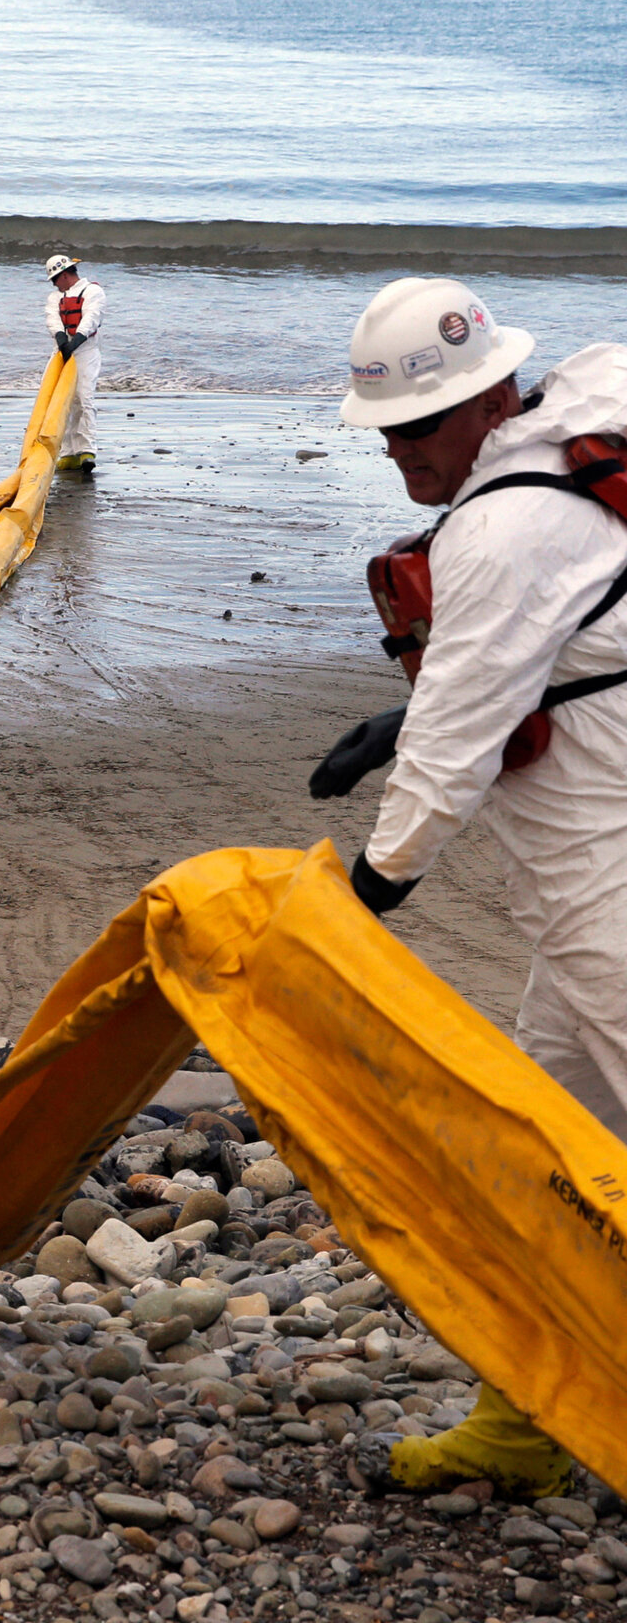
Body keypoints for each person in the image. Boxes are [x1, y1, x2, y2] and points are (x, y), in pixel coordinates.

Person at [319, 276, 627, 1498]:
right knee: (547, 1159)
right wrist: (408, 719)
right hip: (585, 899)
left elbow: (453, 755)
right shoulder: (584, 423)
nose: (399, 454)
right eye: (386, 431)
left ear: (491, 398)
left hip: (608, 890)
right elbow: (567, 638)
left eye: (418, 427)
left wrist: (359, 901)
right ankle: (526, 1418)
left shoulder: (499, 531)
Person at [44, 253, 106, 476]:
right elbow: (52, 318)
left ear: (64, 275)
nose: (54, 284)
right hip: (61, 352)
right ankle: (68, 453)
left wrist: (77, 340)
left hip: (86, 351)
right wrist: (61, 339)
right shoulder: (55, 297)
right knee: (58, 400)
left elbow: (91, 318)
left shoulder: (93, 291)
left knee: (83, 398)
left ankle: (86, 450)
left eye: (55, 279)